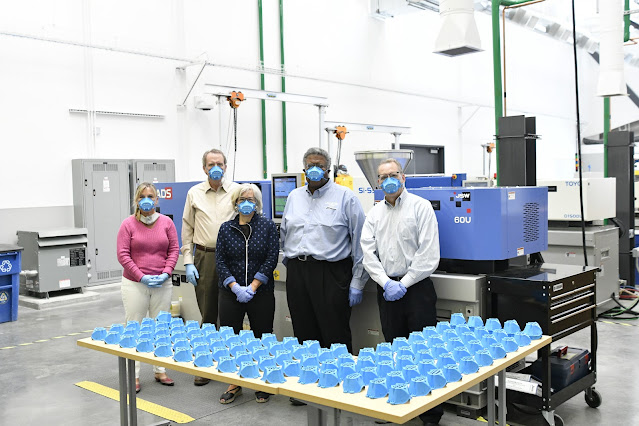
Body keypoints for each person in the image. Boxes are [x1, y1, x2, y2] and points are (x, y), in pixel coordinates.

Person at [360, 158, 442, 426]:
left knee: (422, 351)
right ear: (378, 182)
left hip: (417, 289)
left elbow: (428, 254)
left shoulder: (421, 207)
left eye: (393, 175)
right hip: (387, 290)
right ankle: (397, 403)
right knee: (394, 349)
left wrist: (403, 283)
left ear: (403, 177)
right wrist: (386, 283)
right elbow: (368, 253)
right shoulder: (374, 214)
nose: (388, 181)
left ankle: (429, 413)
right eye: (382, 177)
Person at [281, 147, 368, 353]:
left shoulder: (346, 197)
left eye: (319, 166)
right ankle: (310, 379)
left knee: (335, 333)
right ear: (304, 169)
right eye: (310, 165)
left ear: (328, 170)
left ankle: (340, 381)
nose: (314, 169)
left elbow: (361, 242)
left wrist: (358, 281)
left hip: (331, 274)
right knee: (303, 331)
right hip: (297, 272)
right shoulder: (294, 196)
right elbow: (285, 233)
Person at [215, 184, 279, 404]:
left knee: (263, 336)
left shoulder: (268, 227)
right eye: (242, 199)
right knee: (231, 338)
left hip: (260, 292)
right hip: (230, 292)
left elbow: (271, 258)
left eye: (251, 199)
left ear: (257, 203)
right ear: (235, 202)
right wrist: (234, 286)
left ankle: (262, 382)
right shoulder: (225, 228)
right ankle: (235, 382)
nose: (246, 203)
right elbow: (220, 260)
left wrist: (252, 286)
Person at [181, 148, 239, 386]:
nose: (216, 167)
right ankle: (205, 364)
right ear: (204, 168)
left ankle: (229, 362)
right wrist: (187, 261)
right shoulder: (194, 193)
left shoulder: (237, 191)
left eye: (220, 163)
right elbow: (187, 228)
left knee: (230, 313)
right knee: (207, 312)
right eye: (211, 164)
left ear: (225, 166)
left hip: (233, 259)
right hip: (204, 257)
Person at [116, 182, 179, 393]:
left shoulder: (167, 223)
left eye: (151, 196)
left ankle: (160, 369)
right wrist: (141, 276)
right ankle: (132, 375)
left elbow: (174, 250)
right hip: (135, 284)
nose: (147, 200)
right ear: (136, 200)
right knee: (134, 327)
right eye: (142, 196)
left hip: (162, 283)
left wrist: (166, 273)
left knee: (161, 327)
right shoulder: (128, 224)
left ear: (157, 200)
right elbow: (123, 255)